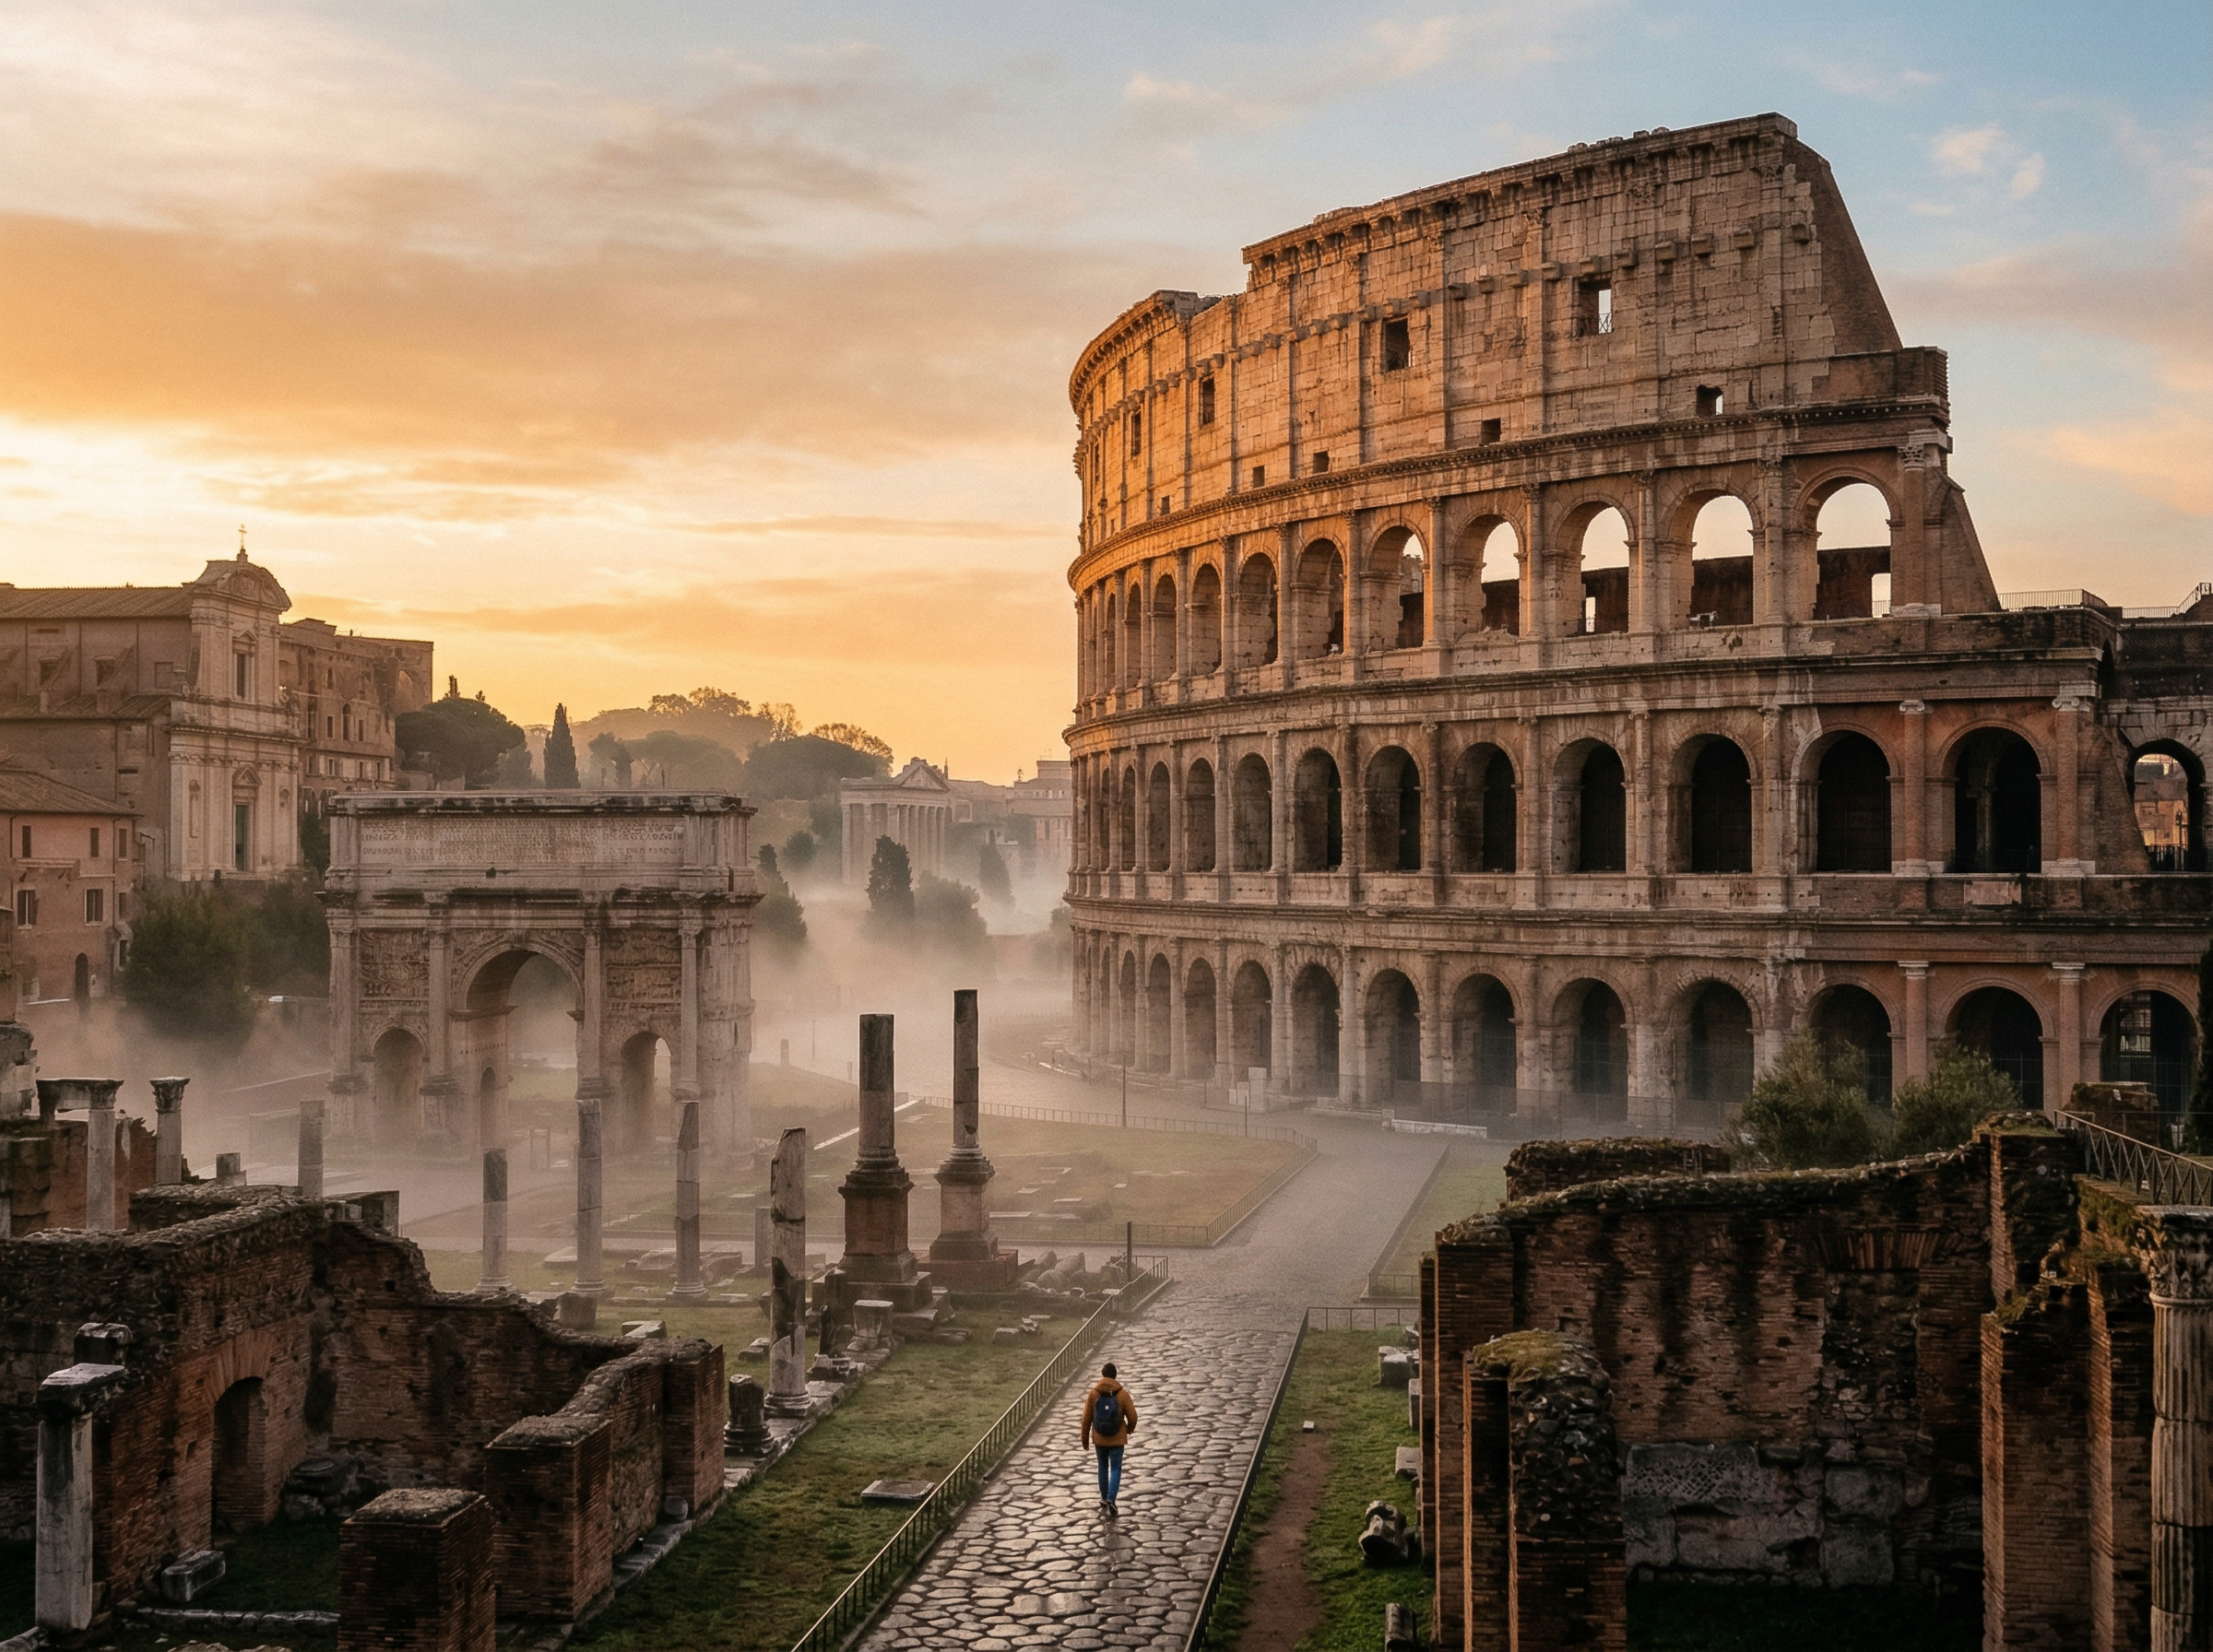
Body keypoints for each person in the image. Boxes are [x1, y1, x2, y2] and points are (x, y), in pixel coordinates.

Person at [1078, 1360, 1137, 1516]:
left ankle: (1104, 1498)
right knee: (1116, 1468)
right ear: (1115, 1376)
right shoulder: (1122, 1394)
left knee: (1102, 1467)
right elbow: (1133, 1417)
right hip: (1117, 1438)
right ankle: (1111, 1498)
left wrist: (1084, 1439)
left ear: (1103, 1375)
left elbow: (1086, 1418)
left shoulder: (1093, 1393)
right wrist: (1128, 1430)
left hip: (1099, 1438)